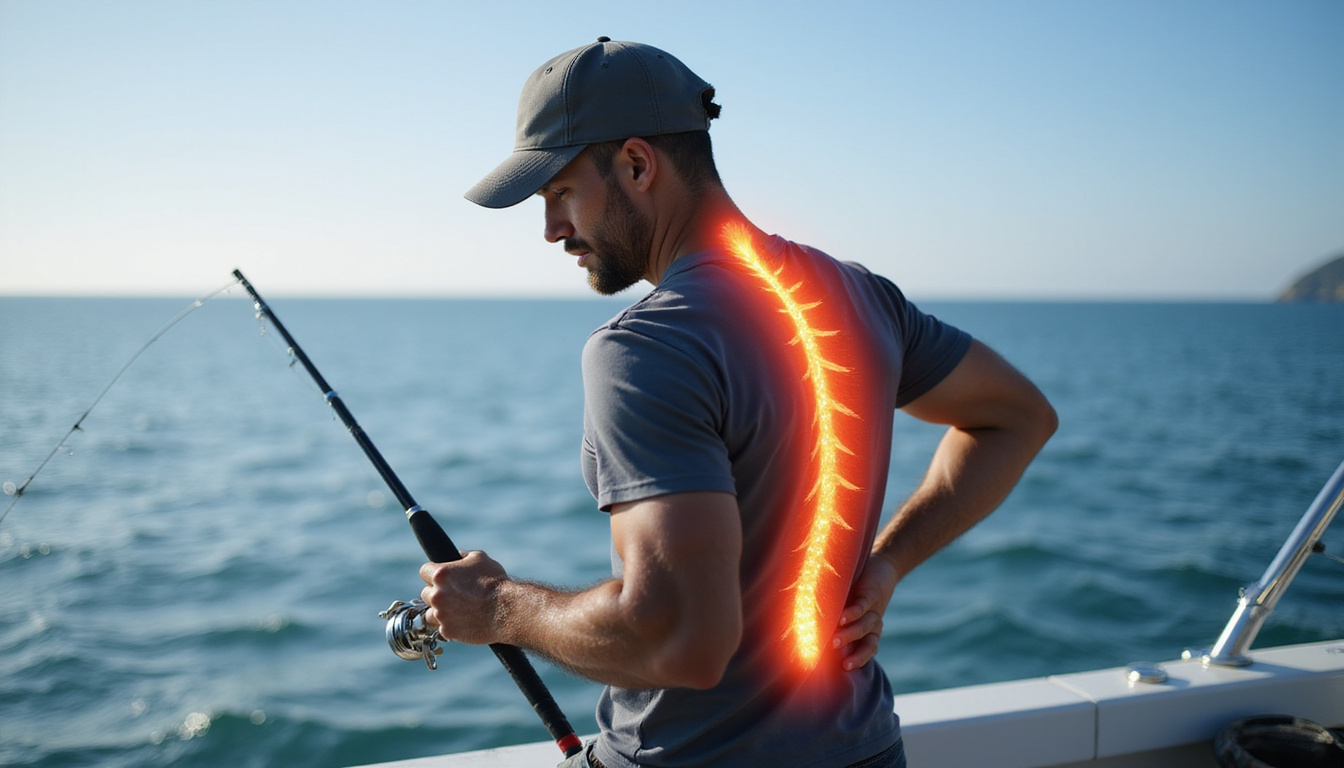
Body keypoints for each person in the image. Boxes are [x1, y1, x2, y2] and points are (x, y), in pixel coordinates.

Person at [419, 38, 1057, 768]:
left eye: (560, 193)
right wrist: (886, 565)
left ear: (636, 164)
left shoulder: (643, 347)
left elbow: (684, 641)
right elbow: (1018, 416)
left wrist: (500, 608)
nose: (551, 230)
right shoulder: (859, 295)